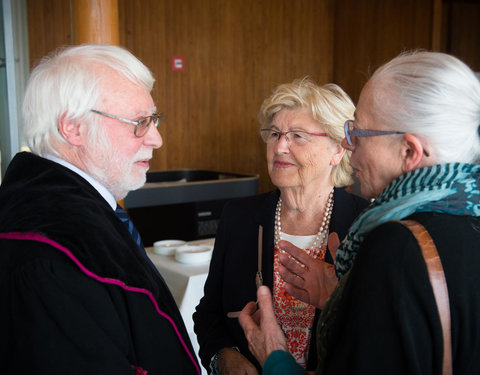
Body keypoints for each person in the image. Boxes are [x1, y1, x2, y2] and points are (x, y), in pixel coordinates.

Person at [238, 50, 480, 374]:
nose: (349, 144)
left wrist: (274, 357)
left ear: (409, 151)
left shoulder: (398, 245)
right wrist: (343, 301)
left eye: (359, 133)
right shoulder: (466, 214)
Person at [0, 44, 201, 374]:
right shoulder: (48, 251)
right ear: (73, 128)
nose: (156, 139)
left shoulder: (71, 212)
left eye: (154, 119)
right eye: (139, 122)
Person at [193, 78, 368, 374]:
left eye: (298, 136)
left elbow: (378, 333)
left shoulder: (366, 225)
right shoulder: (238, 218)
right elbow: (209, 315)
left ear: (337, 150)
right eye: (275, 134)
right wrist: (222, 357)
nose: (280, 146)